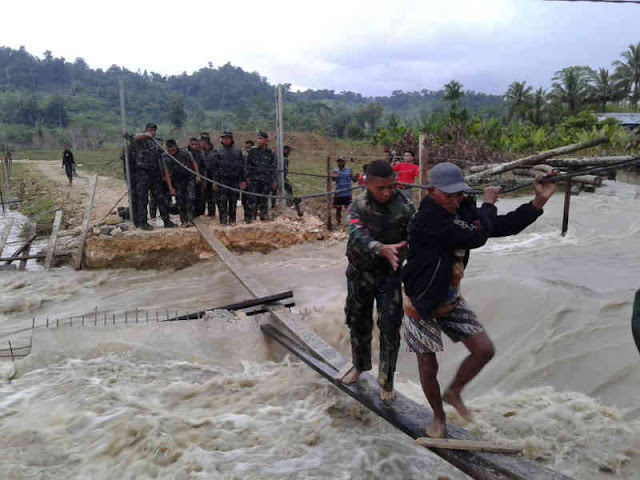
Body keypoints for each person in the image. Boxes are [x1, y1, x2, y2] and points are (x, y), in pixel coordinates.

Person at [401, 162, 556, 438]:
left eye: (458, 194)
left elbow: (501, 226)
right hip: (421, 301)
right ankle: (438, 417)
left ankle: (454, 392)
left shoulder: (462, 209)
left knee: (484, 350)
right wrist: (488, 204)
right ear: (431, 191)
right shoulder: (427, 219)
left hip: (449, 298)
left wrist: (537, 203)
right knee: (428, 364)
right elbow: (476, 235)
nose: (454, 200)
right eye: (448, 195)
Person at [337, 160, 415, 403]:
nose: (387, 192)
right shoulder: (358, 205)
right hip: (360, 272)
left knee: (390, 327)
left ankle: (387, 380)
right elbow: (355, 233)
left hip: (389, 276)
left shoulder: (405, 206)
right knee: (357, 321)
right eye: (380, 188)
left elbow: (416, 239)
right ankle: (360, 365)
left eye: (391, 186)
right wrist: (380, 248)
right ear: (367, 184)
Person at [131, 123, 175, 230]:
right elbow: (135, 138)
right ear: (146, 130)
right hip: (143, 173)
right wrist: (146, 135)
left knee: (160, 197)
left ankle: (166, 220)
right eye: (150, 129)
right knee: (143, 198)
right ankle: (143, 223)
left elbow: (162, 157)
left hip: (155, 174)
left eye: (154, 130)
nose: (152, 132)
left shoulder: (156, 143)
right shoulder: (140, 140)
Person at [164, 139, 199, 226]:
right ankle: (184, 221)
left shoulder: (185, 153)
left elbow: (194, 163)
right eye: (169, 150)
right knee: (180, 201)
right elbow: (167, 173)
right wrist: (170, 188)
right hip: (177, 181)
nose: (171, 151)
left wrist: (197, 175)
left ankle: (190, 219)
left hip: (189, 178)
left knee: (191, 198)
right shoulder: (166, 157)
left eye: (173, 149)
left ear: (176, 147)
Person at [215, 131, 246, 225]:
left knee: (233, 202)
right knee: (222, 202)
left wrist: (242, 180)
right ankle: (223, 221)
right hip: (222, 181)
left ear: (231, 139)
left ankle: (232, 220)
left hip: (234, 180)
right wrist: (215, 181)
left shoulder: (237, 151)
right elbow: (215, 167)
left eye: (228, 138)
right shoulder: (218, 151)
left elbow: (242, 166)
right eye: (224, 138)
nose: (226, 140)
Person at [245, 131, 277, 222]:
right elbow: (247, 166)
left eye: (260, 139)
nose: (258, 141)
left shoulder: (270, 153)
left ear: (266, 140)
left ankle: (264, 216)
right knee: (252, 199)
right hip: (254, 180)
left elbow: (273, 168)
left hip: (266, 181)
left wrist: (274, 181)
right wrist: (247, 178)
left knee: (264, 199)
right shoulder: (252, 151)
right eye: (257, 139)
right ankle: (251, 218)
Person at [331, 156, 357, 224]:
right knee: (338, 209)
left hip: (347, 193)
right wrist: (334, 177)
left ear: (345, 162)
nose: (340, 163)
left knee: (350, 209)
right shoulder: (335, 170)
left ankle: (352, 223)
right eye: (338, 161)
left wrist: (356, 177)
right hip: (338, 193)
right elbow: (333, 179)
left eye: (341, 161)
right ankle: (338, 223)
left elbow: (354, 180)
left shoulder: (349, 170)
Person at [200, 133, 218, 218]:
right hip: (205, 177)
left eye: (201, 142)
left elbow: (216, 168)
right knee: (206, 196)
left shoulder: (214, 152)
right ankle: (208, 213)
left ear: (204, 142)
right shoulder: (202, 152)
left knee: (213, 196)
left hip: (213, 177)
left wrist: (215, 181)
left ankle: (212, 213)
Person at [188, 137, 205, 218]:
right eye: (193, 144)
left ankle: (198, 215)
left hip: (199, 179)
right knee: (190, 198)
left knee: (200, 197)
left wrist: (203, 180)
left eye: (196, 144)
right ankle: (190, 215)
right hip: (188, 179)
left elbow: (205, 167)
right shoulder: (186, 153)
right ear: (189, 145)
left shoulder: (201, 154)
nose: (194, 146)